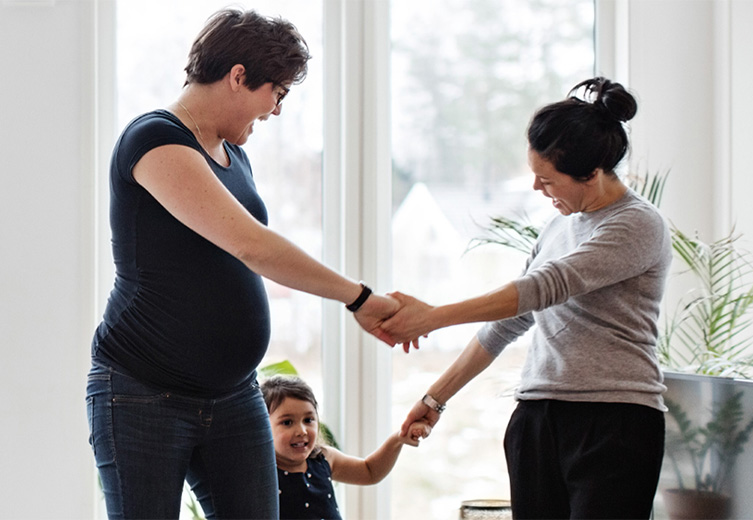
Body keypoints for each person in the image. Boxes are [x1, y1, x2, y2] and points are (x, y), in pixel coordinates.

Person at [85, 8, 401, 520]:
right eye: (276, 92)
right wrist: (360, 298)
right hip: (144, 392)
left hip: (233, 393)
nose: (276, 109)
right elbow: (252, 246)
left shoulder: (234, 155)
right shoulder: (155, 140)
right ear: (238, 77)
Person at [382, 77, 672, 519]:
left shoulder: (637, 225)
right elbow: (510, 322)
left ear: (591, 175)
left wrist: (433, 317)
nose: (538, 189)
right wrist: (435, 397)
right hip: (537, 418)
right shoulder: (558, 227)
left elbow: (545, 286)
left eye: (547, 179)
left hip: (614, 422)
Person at [260, 375, 430, 520]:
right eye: (287, 422)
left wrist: (397, 440)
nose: (302, 431)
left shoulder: (323, 457)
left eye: (308, 420)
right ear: (262, 426)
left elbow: (370, 471)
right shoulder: (260, 471)